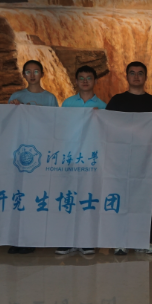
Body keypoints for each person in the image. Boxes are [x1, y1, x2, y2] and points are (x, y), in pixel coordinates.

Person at [106, 61, 152, 255]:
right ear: (127, 76)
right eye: (132, 73)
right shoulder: (117, 100)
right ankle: (120, 241)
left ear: (145, 77)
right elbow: (106, 123)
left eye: (140, 73)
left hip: (147, 161)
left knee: (146, 202)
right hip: (121, 161)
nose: (136, 76)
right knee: (122, 200)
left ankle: (143, 241)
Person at [8, 60, 59, 254]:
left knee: (36, 196)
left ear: (42, 74)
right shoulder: (16, 96)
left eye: (36, 71)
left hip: (41, 154)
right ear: (23, 74)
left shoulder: (50, 98)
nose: (32, 75)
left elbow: (55, 125)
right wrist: (14, 109)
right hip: (20, 155)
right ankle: (18, 238)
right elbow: (8, 124)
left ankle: (32, 237)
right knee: (19, 196)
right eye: (28, 71)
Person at [55, 65, 106, 256]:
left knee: (88, 200)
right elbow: (61, 129)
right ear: (76, 81)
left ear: (95, 81)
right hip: (70, 158)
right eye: (81, 78)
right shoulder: (68, 104)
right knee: (68, 199)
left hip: (91, 160)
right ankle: (67, 240)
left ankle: (86, 240)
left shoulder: (103, 106)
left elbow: (107, 133)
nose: (85, 81)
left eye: (89, 78)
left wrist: (99, 117)